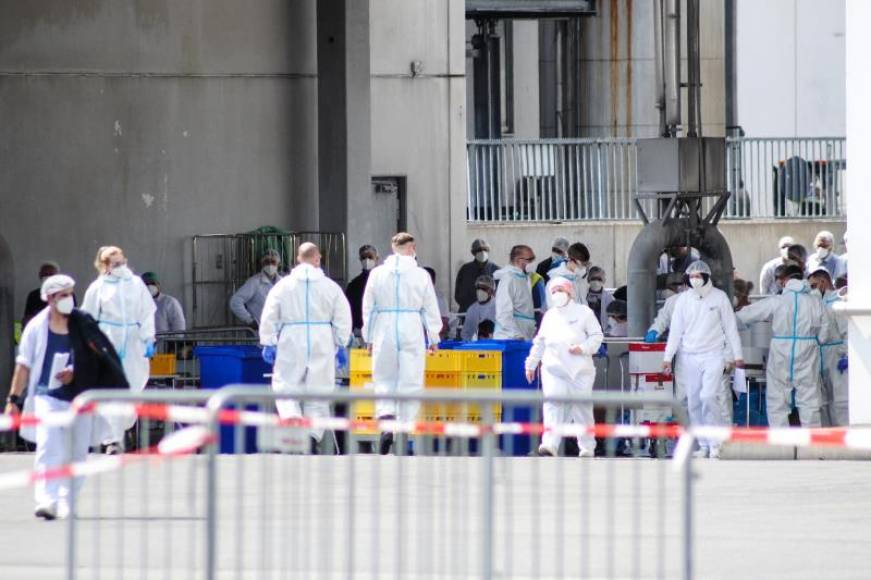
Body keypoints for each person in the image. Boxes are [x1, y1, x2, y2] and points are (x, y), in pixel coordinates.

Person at [6, 275, 128, 519]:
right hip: (47, 396)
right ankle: (47, 500)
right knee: (49, 446)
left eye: (71, 293)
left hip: (79, 398)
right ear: (50, 299)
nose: (68, 299)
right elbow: (24, 365)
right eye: (63, 294)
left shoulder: (83, 323)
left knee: (77, 451)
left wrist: (76, 371)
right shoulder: (36, 328)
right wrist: (13, 399)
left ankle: (67, 500)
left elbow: (100, 356)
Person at [259, 243, 352, 453]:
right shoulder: (330, 287)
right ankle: (311, 435)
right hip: (322, 339)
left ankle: (294, 426)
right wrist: (341, 343)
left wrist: (268, 341)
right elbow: (343, 316)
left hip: (292, 338)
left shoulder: (283, 286)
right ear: (318, 258)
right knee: (319, 391)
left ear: (298, 259)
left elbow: (270, 314)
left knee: (285, 386)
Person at [362, 233, 442, 454]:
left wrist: (368, 337)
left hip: (384, 326)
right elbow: (429, 306)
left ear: (392, 248)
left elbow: (368, 307)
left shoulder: (377, 274)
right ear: (412, 248)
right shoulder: (420, 275)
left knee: (384, 376)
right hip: (411, 324)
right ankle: (405, 428)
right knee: (411, 378)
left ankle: (387, 420)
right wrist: (433, 336)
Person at [662, 261, 743, 459]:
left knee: (708, 396)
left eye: (699, 275)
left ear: (707, 277)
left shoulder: (719, 298)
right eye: (692, 276)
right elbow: (676, 332)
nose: (695, 279)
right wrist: (667, 357)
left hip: (713, 355)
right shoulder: (683, 300)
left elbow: (730, 328)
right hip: (689, 357)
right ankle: (704, 444)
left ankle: (716, 442)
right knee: (694, 402)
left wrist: (737, 356)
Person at [82, 246, 156, 454]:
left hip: (133, 343)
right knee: (110, 392)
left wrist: (148, 338)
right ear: (104, 265)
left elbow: (147, 313)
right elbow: (88, 319)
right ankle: (112, 439)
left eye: (121, 261)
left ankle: (124, 429)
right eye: (114, 263)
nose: (120, 265)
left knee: (133, 388)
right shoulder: (98, 288)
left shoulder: (136, 284)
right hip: (108, 341)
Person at [737, 265, 831, 428]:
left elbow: (746, 315)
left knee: (777, 400)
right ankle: (813, 448)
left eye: (780, 279)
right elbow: (825, 330)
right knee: (809, 400)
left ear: (785, 280)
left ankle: (781, 444)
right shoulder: (815, 302)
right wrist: (817, 341)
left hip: (781, 349)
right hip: (807, 349)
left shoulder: (777, 301)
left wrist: (723, 322)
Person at [525, 277, 604, 457]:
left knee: (582, 407)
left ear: (569, 292)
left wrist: (583, 348)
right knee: (553, 404)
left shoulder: (584, 312)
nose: (557, 294)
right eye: (553, 291)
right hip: (554, 369)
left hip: (580, 370)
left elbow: (596, 336)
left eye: (560, 290)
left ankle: (587, 446)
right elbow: (540, 342)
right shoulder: (550, 316)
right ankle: (550, 444)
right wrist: (531, 363)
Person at [808, 267, 848, 426]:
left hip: (835, 355)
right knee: (823, 403)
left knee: (840, 402)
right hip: (821, 356)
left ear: (823, 283)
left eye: (813, 285)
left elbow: (846, 332)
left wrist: (845, 355)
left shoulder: (837, 303)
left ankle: (844, 439)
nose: (811, 289)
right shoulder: (818, 303)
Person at [229, 249, 283, 328]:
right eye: (267, 262)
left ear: (278, 264)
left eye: (273, 262)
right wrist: (249, 320)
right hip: (258, 332)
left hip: (279, 331)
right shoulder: (254, 282)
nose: (270, 265)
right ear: (262, 264)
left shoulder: (283, 282)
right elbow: (235, 301)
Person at [493, 245, 537, 340]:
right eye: (530, 259)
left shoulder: (525, 278)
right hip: (510, 337)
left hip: (524, 334)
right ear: (519, 260)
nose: (532, 263)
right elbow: (503, 312)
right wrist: (515, 334)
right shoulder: (508, 279)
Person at [454, 239, 499, 313]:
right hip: (467, 311)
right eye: (479, 250)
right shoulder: (465, 269)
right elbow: (458, 294)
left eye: (485, 249)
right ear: (473, 252)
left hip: (489, 313)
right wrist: (469, 307)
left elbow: (501, 295)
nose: (482, 252)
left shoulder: (496, 270)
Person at [345, 245, 379, 336]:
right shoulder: (354, 285)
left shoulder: (383, 281)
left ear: (377, 258)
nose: (367, 260)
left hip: (380, 329)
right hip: (360, 330)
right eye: (364, 257)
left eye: (370, 257)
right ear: (360, 259)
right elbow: (348, 309)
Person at [546, 243, 591, 308]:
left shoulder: (579, 279)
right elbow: (555, 308)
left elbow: (583, 301)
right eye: (581, 264)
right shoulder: (556, 280)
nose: (583, 268)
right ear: (571, 260)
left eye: (586, 264)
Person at [644, 272, 686, 342]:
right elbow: (663, 319)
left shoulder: (708, 301)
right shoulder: (674, 301)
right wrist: (654, 330)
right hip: (679, 346)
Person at [22, 261, 62, 328]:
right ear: (40, 275)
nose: (48, 277)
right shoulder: (33, 295)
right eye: (45, 274)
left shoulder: (66, 294)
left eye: (51, 274)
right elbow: (27, 317)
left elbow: (71, 317)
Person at [461, 275, 496, 341]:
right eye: (478, 288)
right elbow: (466, 333)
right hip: (478, 346)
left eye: (484, 289)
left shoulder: (498, 307)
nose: (480, 291)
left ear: (491, 291)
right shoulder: (472, 309)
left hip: (495, 345)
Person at [424, 267, 451, 340]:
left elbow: (444, 325)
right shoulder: (414, 296)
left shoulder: (440, 298)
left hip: (435, 341)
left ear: (433, 281)